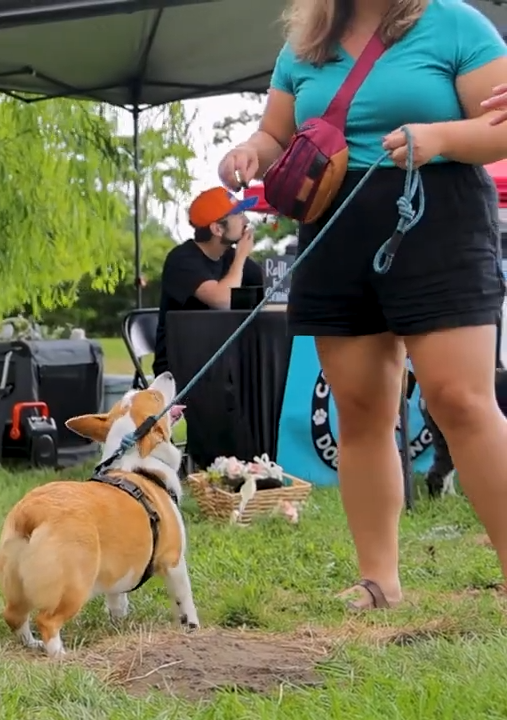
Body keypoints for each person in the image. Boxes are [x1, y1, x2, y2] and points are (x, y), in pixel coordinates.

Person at [219, 0, 507, 610]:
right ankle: (380, 581)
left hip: (440, 224)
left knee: (461, 400)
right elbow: (276, 134)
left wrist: (441, 137)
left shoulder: (455, 24)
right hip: (333, 232)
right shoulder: (304, 41)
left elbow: (503, 125)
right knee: (360, 409)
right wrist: (251, 152)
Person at [150, 187, 264, 377]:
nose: (246, 221)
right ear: (217, 228)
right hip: (182, 368)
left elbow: (272, 287)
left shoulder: (229, 256)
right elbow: (222, 300)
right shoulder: (181, 260)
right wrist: (242, 255)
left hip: (219, 361)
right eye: (238, 214)